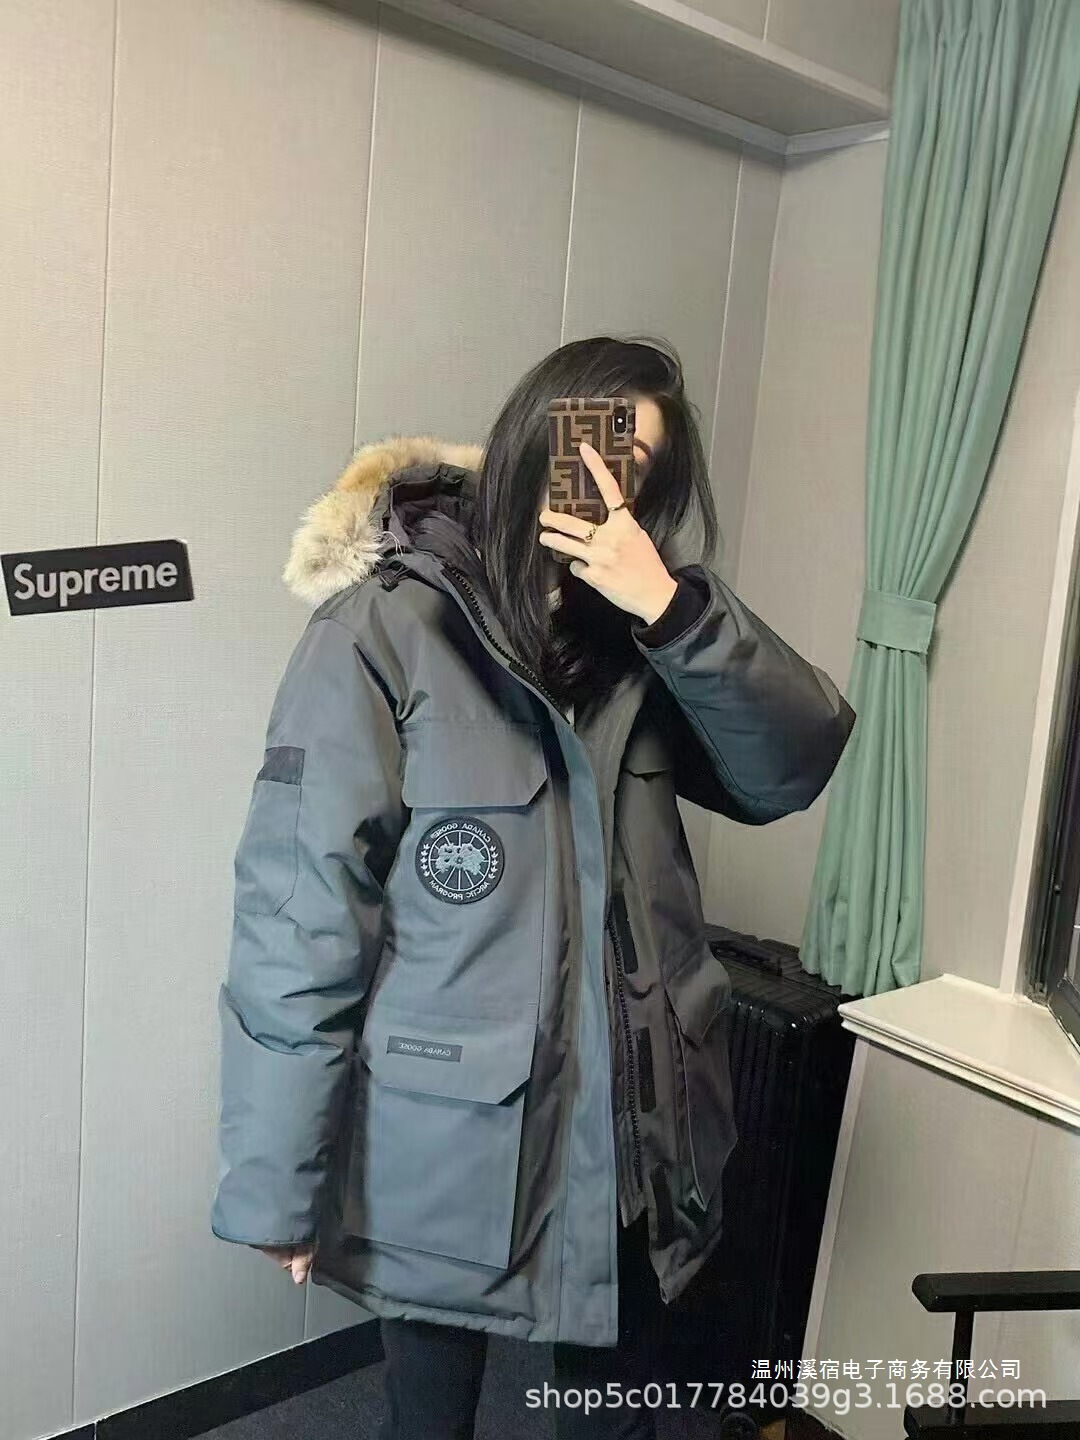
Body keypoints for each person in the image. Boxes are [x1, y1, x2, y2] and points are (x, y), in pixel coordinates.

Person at [211, 336, 856, 1439]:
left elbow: (790, 768)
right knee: (428, 1422)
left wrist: (674, 612)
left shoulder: (652, 639)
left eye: (636, 466)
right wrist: (280, 1180)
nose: (605, 481)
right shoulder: (385, 629)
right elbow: (301, 914)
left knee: (617, 1418)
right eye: (588, 445)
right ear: (526, 440)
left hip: (638, 1126)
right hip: (444, 1135)